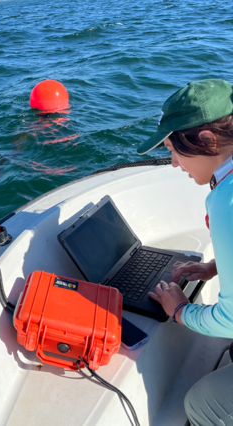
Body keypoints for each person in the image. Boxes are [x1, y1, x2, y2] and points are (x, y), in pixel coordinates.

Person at [137, 79, 233, 426]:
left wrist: (179, 310)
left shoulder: (228, 200)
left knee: (200, 404)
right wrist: (214, 267)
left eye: (174, 150)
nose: (174, 162)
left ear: (208, 141)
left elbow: (230, 319)